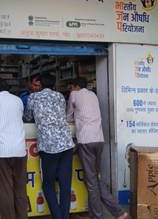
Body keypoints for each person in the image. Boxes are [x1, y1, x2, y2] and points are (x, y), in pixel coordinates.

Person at [66, 77, 128, 219]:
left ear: (75, 86)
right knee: (95, 178)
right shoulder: (93, 95)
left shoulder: (74, 95)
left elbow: (68, 117)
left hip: (86, 141)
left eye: (71, 87)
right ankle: (119, 212)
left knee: (92, 183)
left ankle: (97, 216)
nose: (70, 89)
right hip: (99, 140)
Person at [24, 73, 75, 219]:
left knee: (48, 184)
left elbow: (27, 117)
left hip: (49, 146)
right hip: (66, 144)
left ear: (41, 84)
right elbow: (63, 114)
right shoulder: (60, 96)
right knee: (65, 184)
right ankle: (64, 216)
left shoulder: (33, 97)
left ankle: (57, 216)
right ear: (54, 84)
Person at [0, 80, 28, 219]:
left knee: (5, 190)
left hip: (1, 151)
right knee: (20, 188)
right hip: (20, 149)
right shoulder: (18, 100)